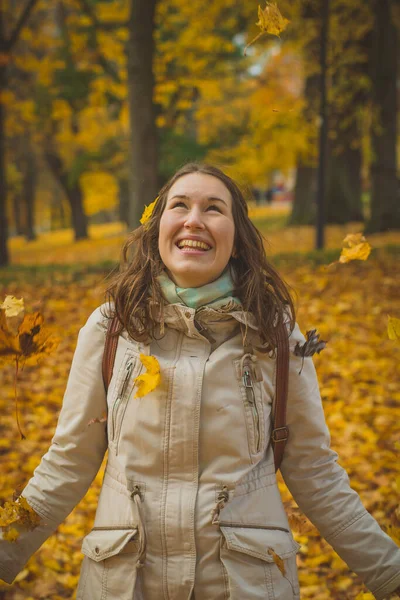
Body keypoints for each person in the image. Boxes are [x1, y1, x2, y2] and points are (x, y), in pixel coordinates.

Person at [1, 163, 399, 600]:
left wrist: (390, 575)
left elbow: (316, 473)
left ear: (236, 239)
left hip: (244, 587)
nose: (194, 219)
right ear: (158, 229)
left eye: (214, 209)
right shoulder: (111, 330)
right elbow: (67, 462)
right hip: (124, 585)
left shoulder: (276, 337)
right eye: (180, 206)